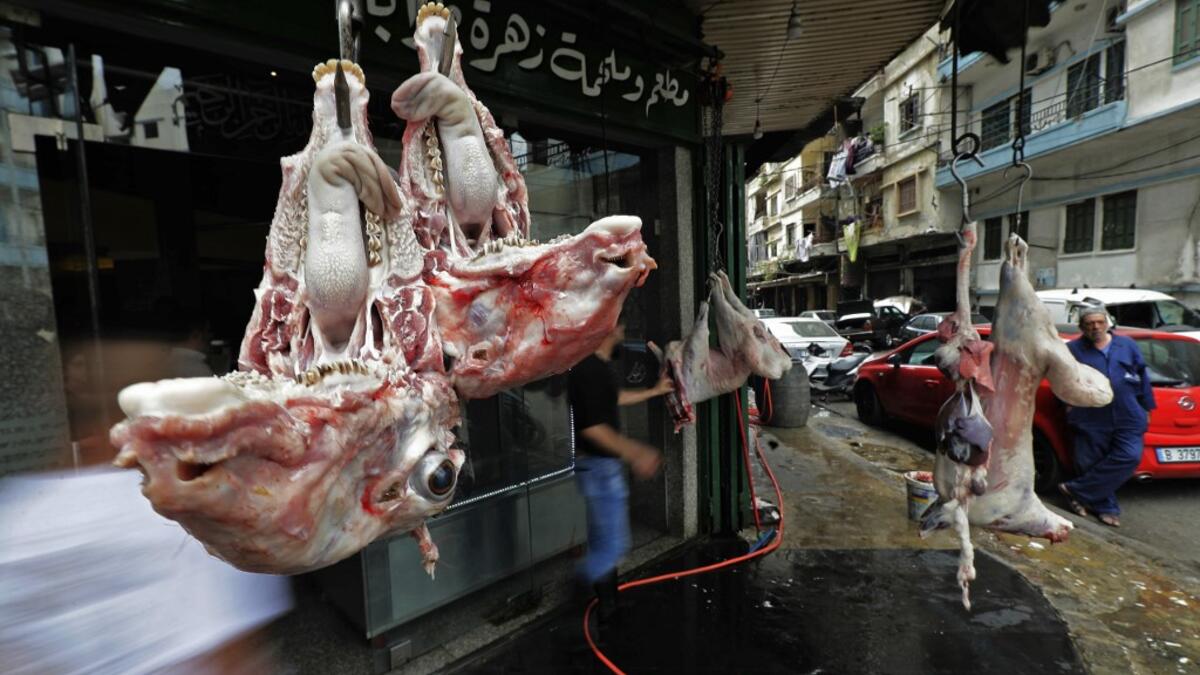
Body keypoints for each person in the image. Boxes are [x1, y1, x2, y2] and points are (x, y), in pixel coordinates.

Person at [567, 320, 673, 623]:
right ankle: (576, 606)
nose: (624, 332)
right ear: (606, 330)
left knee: (604, 543)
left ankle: (608, 605)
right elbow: (594, 429)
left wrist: (654, 391)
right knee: (613, 546)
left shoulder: (596, 367)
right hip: (600, 468)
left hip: (600, 467)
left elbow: (614, 399)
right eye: (620, 326)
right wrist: (636, 452)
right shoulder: (588, 369)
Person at [1059, 305, 1155, 528]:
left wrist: (1147, 407)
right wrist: (1068, 404)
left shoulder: (1127, 345)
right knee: (1090, 461)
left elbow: (1142, 376)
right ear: (1082, 327)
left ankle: (1075, 490)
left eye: (1100, 322)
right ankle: (1106, 508)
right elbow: (1062, 380)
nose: (1096, 327)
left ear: (1107, 323)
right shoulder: (1073, 349)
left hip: (1128, 412)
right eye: (1090, 323)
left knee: (1130, 456)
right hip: (1090, 413)